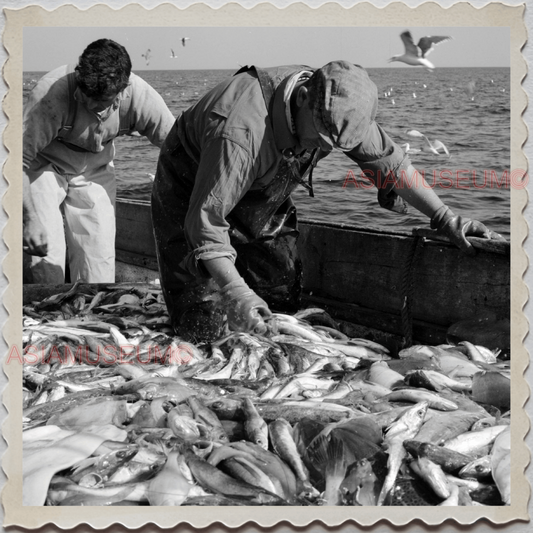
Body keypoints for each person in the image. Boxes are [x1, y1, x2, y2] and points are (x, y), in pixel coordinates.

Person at [152, 60, 504, 343]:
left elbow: (392, 165)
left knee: (279, 296)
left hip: (260, 181)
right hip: (191, 180)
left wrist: (446, 217)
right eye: (318, 138)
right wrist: (235, 291)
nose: (321, 149)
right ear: (302, 97)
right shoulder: (240, 134)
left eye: (334, 145)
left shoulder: (340, 110)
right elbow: (206, 223)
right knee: (201, 324)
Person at [23, 38, 175, 284]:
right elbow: (14, 162)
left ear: (122, 90)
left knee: (99, 266)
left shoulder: (141, 96)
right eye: (85, 96)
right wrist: (29, 220)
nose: (91, 104)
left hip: (95, 167)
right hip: (43, 166)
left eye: (101, 100)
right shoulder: (49, 94)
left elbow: (178, 147)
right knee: (46, 257)